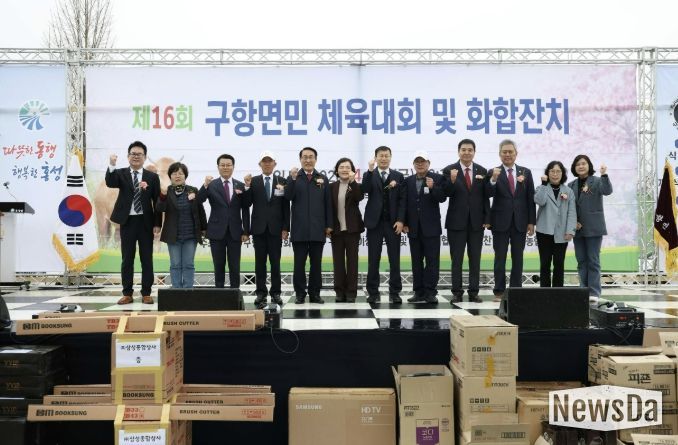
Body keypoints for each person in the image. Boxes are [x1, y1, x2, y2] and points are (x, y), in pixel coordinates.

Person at [106, 141, 160, 305]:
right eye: (133, 154)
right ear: (128, 156)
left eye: (139, 154)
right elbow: (110, 182)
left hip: (145, 222)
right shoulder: (120, 173)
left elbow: (157, 201)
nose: (136, 157)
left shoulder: (152, 177)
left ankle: (146, 293)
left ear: (145, 157)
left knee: (147, 259)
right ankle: (127, 293)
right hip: (127, 221)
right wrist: (112, 164)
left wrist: (157, 223)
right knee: (127, 259)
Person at [486, 139, 536, 302]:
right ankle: (499, 291)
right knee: (500, 258)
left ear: (516, 154)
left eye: (510, 152)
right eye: (504, 152)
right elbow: (488, 194)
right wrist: (493, 179)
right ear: (500, 154)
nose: (507, 154)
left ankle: (516, 290)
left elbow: (530, 198)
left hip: (520, 222)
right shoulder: (493, 172)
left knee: (518, 258)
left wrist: (531, 222)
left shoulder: (526, 172)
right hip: (500, 222)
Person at [442, 139, 490, 303]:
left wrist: (487, 218)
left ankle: (474, 292)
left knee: (475, 259)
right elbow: (445, 194)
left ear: (474, 152)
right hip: (456, 222)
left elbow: (485, 196)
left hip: (477, 223)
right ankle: (457, 292)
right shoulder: (449, 170)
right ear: (459, 152)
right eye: (463, 150)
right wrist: (452, 180)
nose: (467, 152)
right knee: (457, 259)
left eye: (470, 150)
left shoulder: (482, 170)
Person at [285, 147, 333, 304]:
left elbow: (328, 203)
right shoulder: (294, 177)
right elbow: (288, 196)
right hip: (299, 229)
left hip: (318, 229)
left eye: (311, 157)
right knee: (299, 265)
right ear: (300, 159)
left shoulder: (322, 178)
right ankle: (300, 294)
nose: (307, 160)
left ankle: (315, 294)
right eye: (304, 157)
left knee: (316, 265)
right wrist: (292, 179)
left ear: (315, 159)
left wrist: (329, 225)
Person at [244, 151, 289, 308]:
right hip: (259, 229)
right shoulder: (254, 181)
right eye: (265, 161)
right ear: (260, 164)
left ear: (275, 164)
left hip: (276, 229)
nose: (267, 163)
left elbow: (286, 207)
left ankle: (276, 293)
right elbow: (247, 203)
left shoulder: (282, 181)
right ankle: (261, 293)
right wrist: (247, 187)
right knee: (260, 263)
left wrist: (286, 227)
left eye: (270, 161)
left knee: (275, 263)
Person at [198, 154, 251, 288]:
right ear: (218, 167)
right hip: (216, 231)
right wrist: (205, 185)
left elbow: (245, 208)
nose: (225, 167)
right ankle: (219, 294)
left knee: (235, 266)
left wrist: (246, 231)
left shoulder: (240, 185)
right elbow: (199, 200)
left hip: (235, 232)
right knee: (218, 265)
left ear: (233, 167)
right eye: (223, 165)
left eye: (228, 165)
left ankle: (235, 293)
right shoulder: (211, 184)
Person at [361, 146, 405, 304]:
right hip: (375, 223)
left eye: (387, 156)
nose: (384, 158)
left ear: (390, 157)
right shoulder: (369, 174)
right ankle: (373, 292)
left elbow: (402, 200)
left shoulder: (398, 176)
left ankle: (395, 292)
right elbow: (364, 190)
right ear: (376, 158)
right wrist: (370, 170)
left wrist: (401, 220)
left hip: (393, 223)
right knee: (373, 259)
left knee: (394, 259)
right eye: (381, 156)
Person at [401, 151, 446, 303]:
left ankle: (430, 292)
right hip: (413, 228)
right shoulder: (408, 181)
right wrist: (404, 222)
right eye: (417, 162)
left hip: (431, 228)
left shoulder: (437, 178)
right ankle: (418, 292)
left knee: (432, 262)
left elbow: (442, 198)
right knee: (416, 262)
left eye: (423, 161)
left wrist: (433, 187)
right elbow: (404, 203)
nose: (420, 164)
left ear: (429, 163)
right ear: (413, 164)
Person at [155, 162, 207, 289]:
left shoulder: (193, 190)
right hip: (173, 236)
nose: (177, 176)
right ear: (170, 176)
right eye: (174, 173)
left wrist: (204, 228)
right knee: (175, 264)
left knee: (188, 264)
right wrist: (162, 196)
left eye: (180, 173)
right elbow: (160, 208)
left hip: (191, 235)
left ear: (185, 176)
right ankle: (177, 290)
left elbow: (200, 210)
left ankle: (188, 290)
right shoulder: (166, 191)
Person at [568, 155, 612, 301]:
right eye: (578, 164)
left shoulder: (597, 181)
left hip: (594, 227)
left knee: (593, 260)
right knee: (581, 260)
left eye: (583, 163)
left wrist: (604, 175)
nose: (581, 166)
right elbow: (569, 207)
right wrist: (573, 222)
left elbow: (607, 191)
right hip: (577, 229)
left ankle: (594, 292)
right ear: (574, 168)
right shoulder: (571, 185)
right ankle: (583, 289)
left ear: (589, 166)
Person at [534, 161, 577, 288]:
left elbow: (572, 212)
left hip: (562, 232)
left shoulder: (568, 191)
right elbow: (540, 201)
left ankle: (558, 292)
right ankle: (545, 291)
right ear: (547, 173)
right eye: (552, 171)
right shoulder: (541, 188)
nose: (555, 174)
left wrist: (570, 231)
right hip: (544, 231)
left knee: (559, 263)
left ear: (562, 173)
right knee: (545, 263)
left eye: (558, 171)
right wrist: (543, 184)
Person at [329, 157, 364, 303]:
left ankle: (351, 292)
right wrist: (328, 226)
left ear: (352, 170)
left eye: (347, 167)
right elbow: (328, 208)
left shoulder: (355, 185)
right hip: (336, 230)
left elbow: (358, 197)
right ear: (337, 170)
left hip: (352, 230)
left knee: (352, 262)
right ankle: (339, 291)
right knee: (338, 262)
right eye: (341, 167)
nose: (344, 169)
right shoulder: (331, 187)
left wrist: (353, 181)